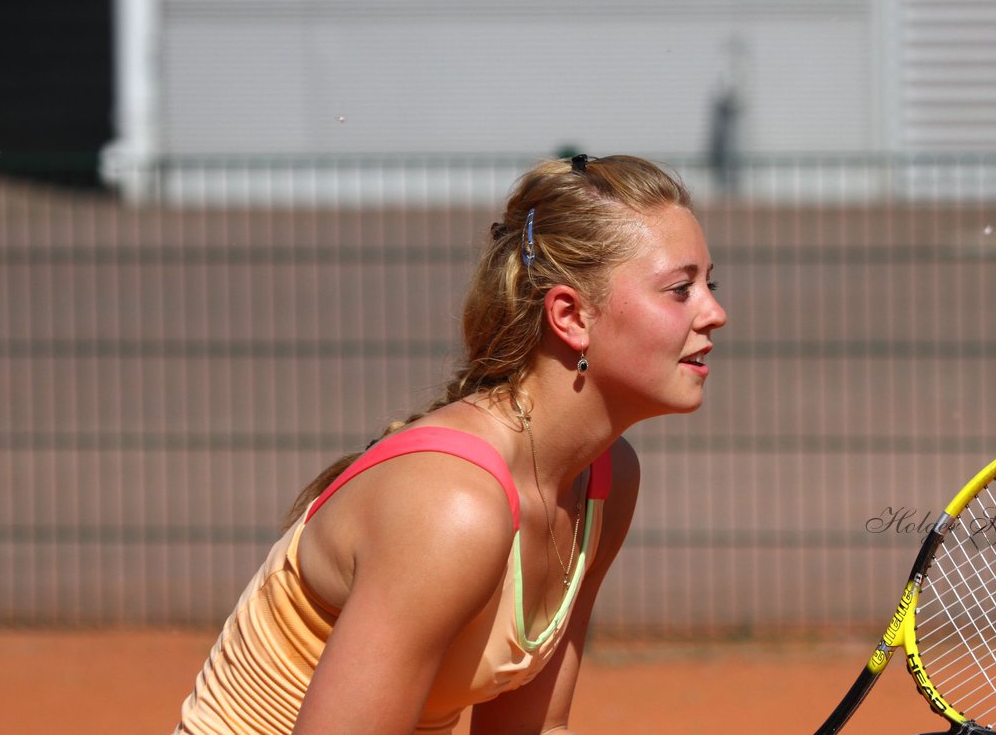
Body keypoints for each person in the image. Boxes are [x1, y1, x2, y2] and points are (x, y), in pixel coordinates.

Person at [174, 155, 727, 734]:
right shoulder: (453, 506)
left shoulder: (605, 481)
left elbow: (529, 730)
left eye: (708, 285)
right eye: (680, 289)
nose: (715, 313)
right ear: (570, 315)